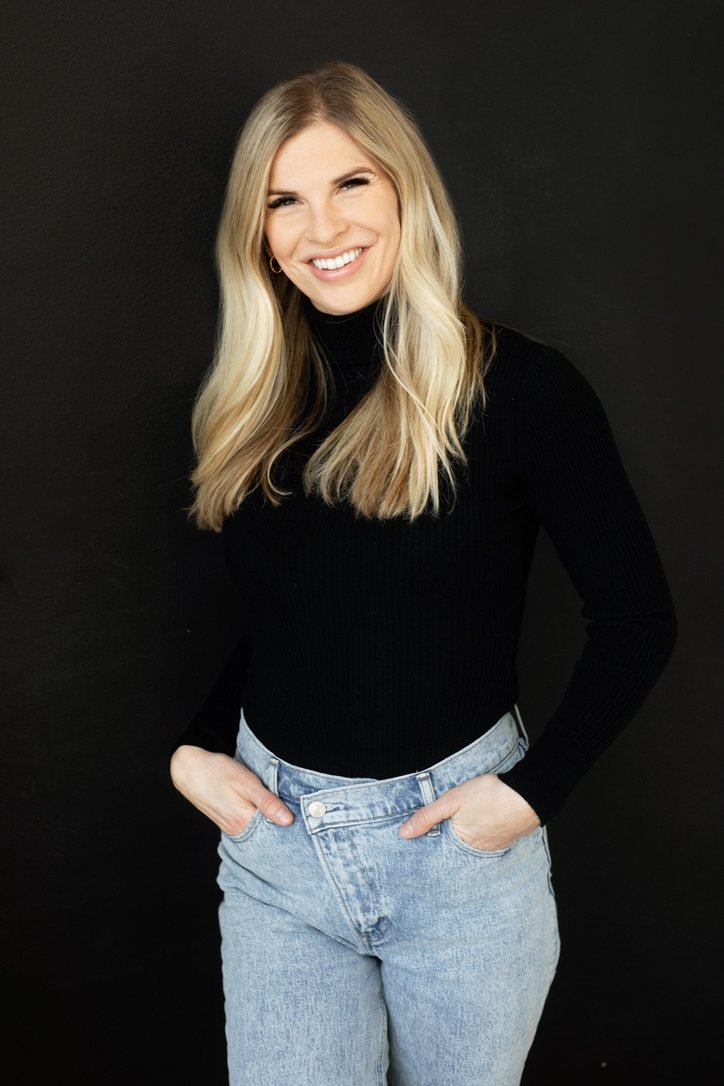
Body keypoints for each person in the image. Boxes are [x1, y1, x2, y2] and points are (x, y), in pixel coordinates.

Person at [169, 61, 677, 1086]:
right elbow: (289, 620)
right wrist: (191, 749)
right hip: (278, 856)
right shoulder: (255, 404)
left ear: (405, 188)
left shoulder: (524, 390)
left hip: (457, 857)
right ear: (258, 232)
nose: (321, 228)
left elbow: (636, 619)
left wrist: (532, 794)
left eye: (350, 183)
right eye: (285, 200)